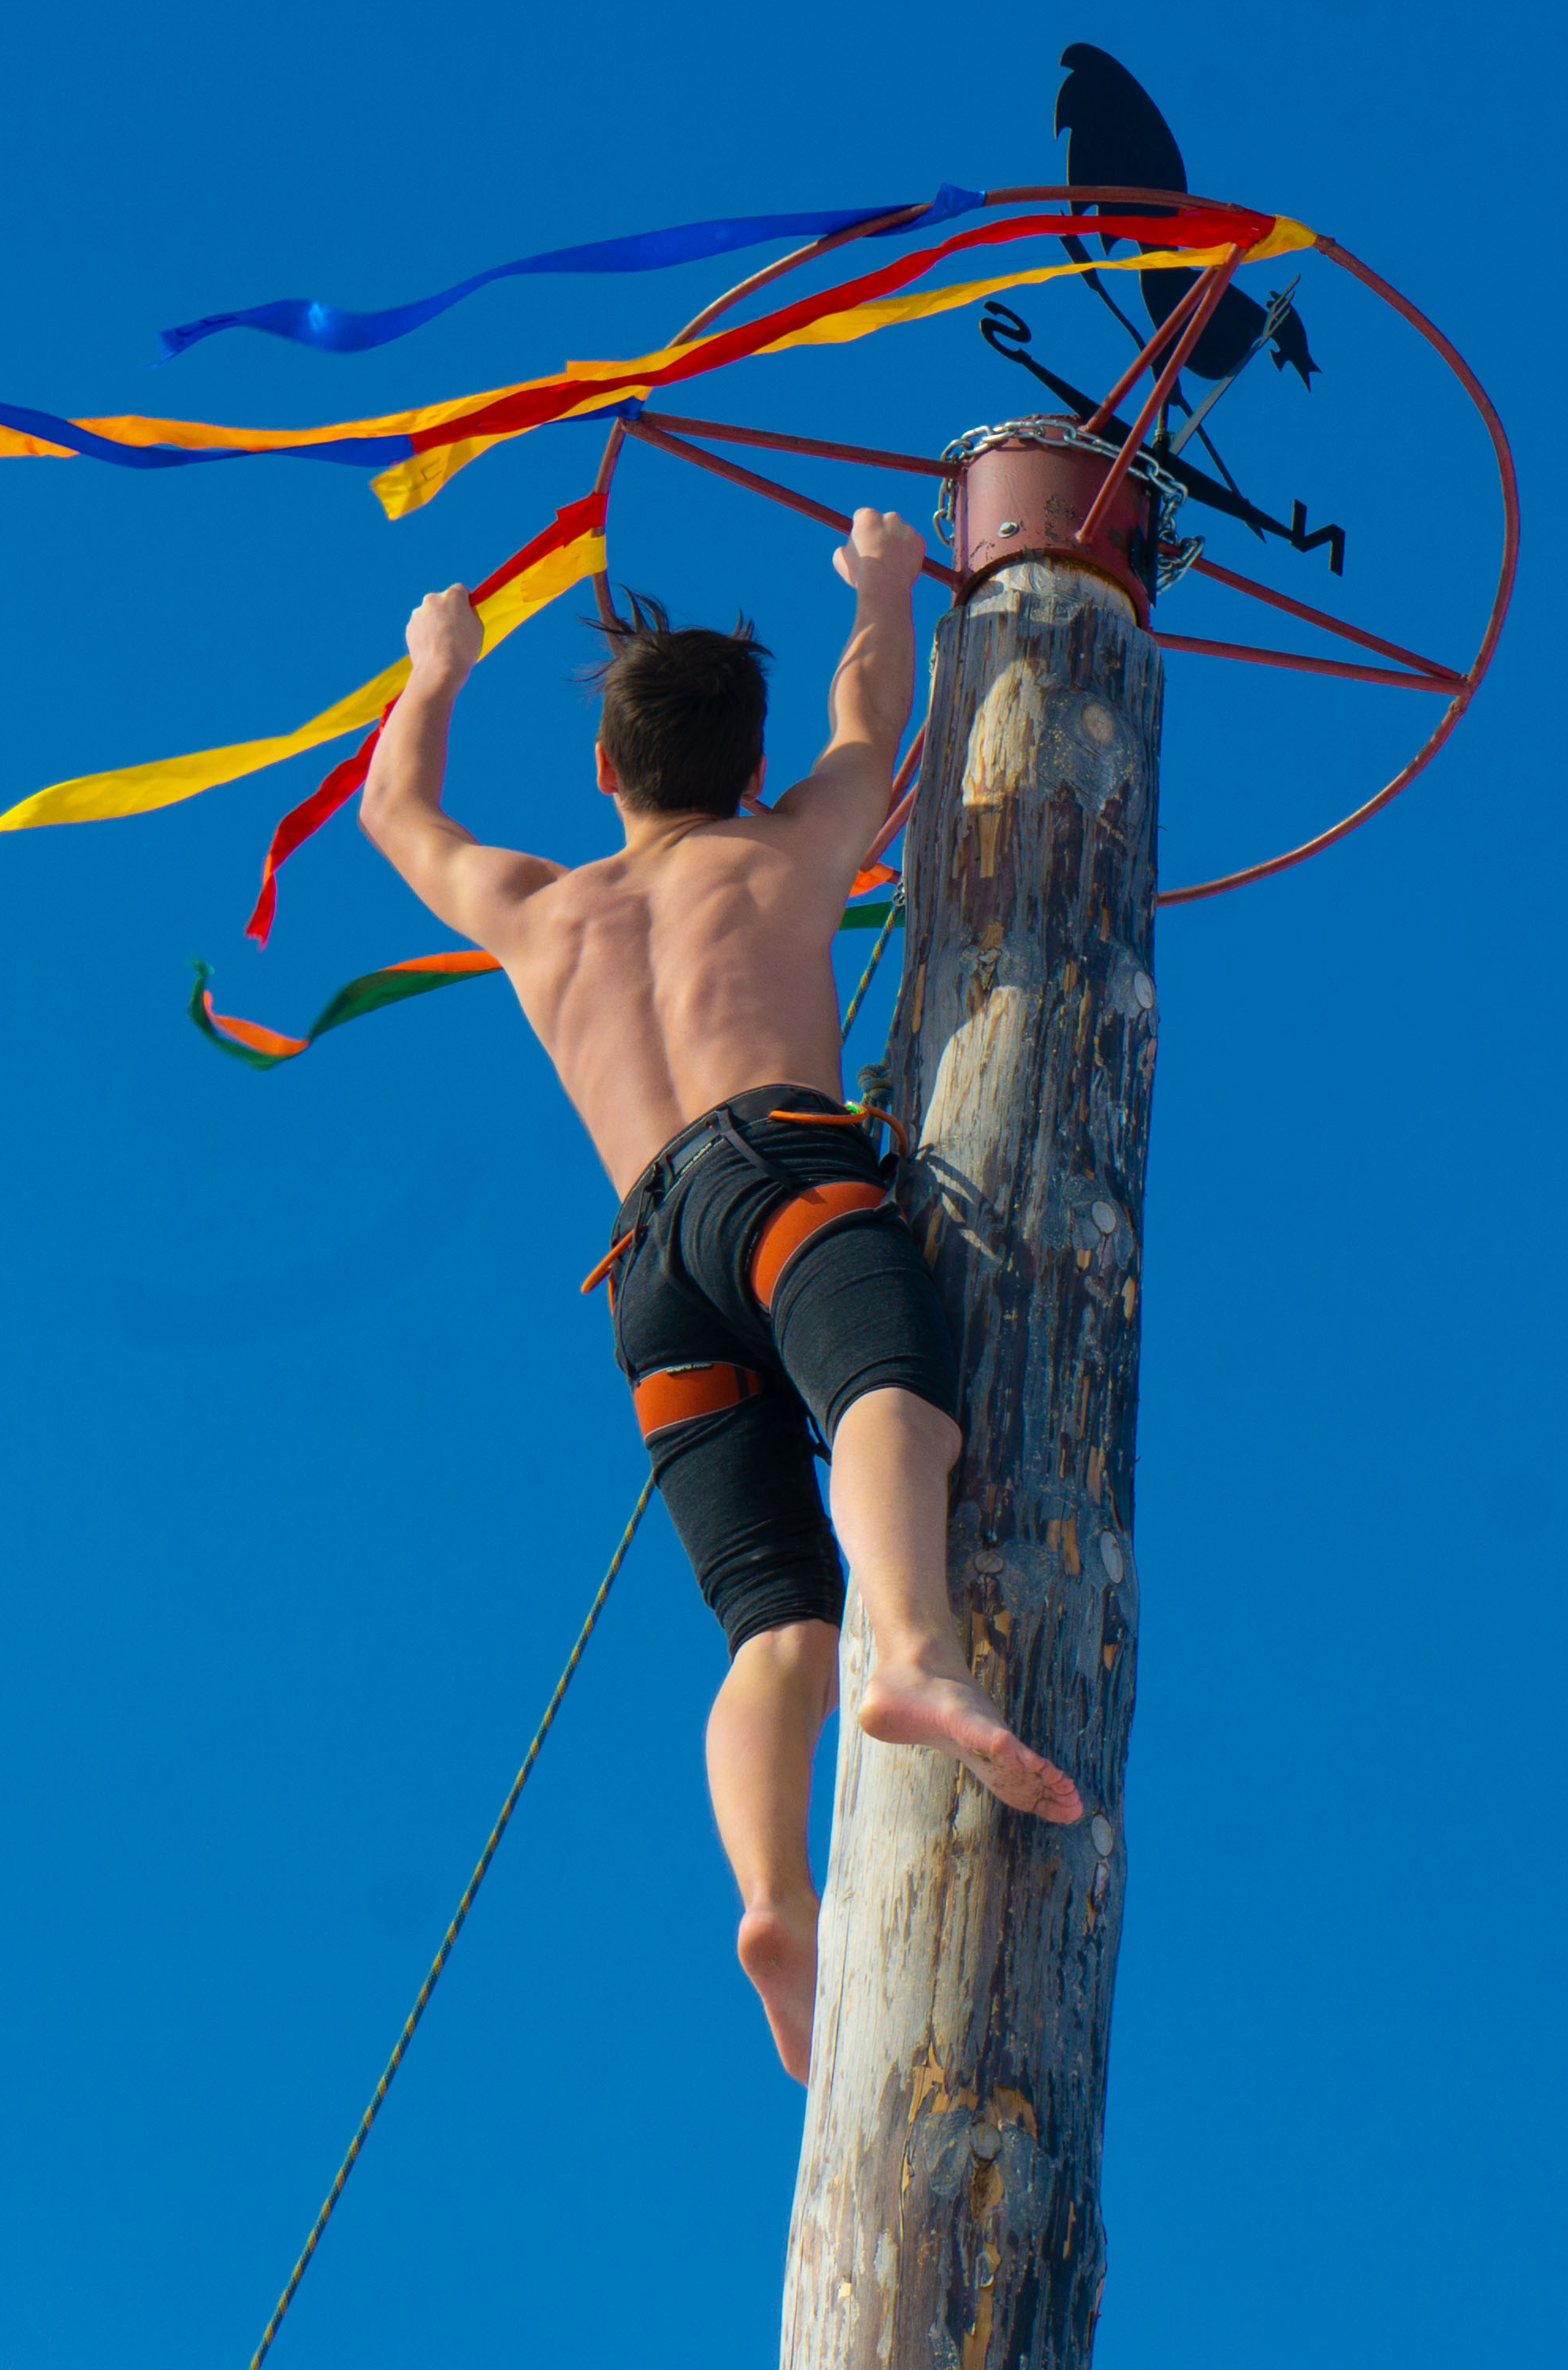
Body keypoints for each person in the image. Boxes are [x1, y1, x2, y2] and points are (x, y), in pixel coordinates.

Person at [355, 507, 1085, 2085]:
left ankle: (773, 1899)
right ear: (746, 769)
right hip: (779, 1176)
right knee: (895, 1387)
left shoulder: (544, 910)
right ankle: (917, 1647)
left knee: (766, 1622)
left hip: (646, 1266)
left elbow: (396, 815)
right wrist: (884, 584)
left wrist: (436, 666)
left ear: (605, 777)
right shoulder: (789, 841)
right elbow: (875, 711)